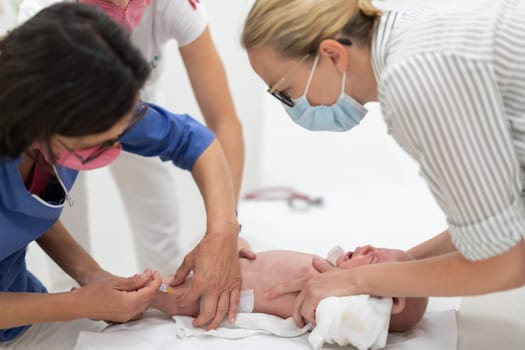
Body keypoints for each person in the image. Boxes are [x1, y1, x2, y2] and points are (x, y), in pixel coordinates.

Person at [240, 0, 525, 327]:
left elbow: (504, 263)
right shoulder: (415, 33)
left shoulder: (414, 79)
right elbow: (506, 219)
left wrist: (355, 282)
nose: (291, 107)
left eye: (285, 92)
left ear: (333, 55)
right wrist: (381, 270)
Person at [0, 3, 242, 348]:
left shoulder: (96, 97)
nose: (116, 146)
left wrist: (223, 232)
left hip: (23, 318)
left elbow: (197, 143)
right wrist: (76, 303)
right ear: (42, 120)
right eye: (100, 142)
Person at [152, 238, 428, 333]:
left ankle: (148, 295)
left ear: (390, 302)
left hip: (222, 296)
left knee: (170, 294)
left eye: (373, 257)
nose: (365, 246)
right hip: (234, 263)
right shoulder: (332, 273)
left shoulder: (341, 305)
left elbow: (348, 325)